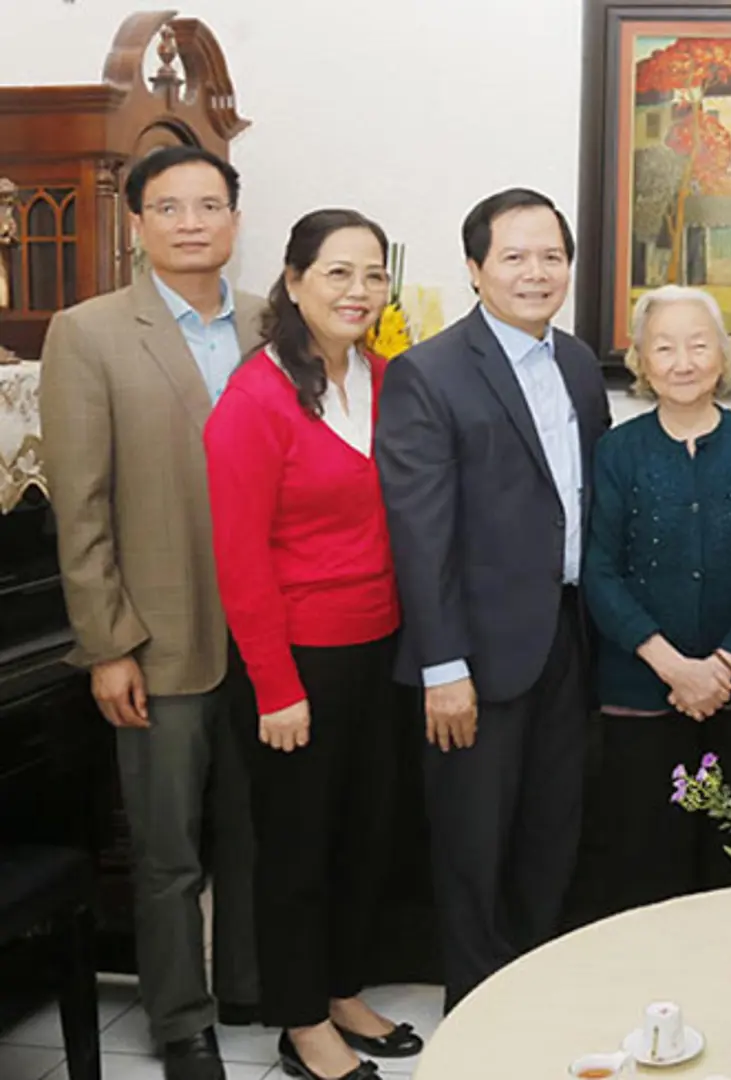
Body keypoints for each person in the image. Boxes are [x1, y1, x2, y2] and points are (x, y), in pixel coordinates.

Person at [39, 144, 260, 1080]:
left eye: (210, 204)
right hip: (157, 637)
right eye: (169, 207)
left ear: (235, 218)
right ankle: (182, 1023)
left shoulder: (269, 322)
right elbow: (80, 504)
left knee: (260, 835)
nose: (192, 222)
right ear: (137, 225)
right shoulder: (86, 332)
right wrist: (108, 644)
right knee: (167, 851)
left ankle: (260, 989)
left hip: (271, 641)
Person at [376, 188, 611, 1011]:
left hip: (569, 642)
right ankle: (478, 1019)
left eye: (551, 256)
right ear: (475, 270)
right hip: (472, 658)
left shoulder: (579, 364)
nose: (535, 272)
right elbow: (420, 535)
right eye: (513, 256)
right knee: (473, 851)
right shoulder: (426, 374)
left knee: (551, 837)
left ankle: (535, 1003)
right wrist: (443, 666)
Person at [205, 209, 424, 1080]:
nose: (358, 291)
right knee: (295, 851)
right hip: (295, 663)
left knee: (365, 837)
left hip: (381, 650)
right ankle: (301, 1022)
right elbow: (239, 557)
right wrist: (274, 686)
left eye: (373, 274)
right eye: (337, 272)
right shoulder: (254, 398)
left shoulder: (388, 378)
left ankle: (341, 990)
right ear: (293, 282)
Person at [585, 285, 731, 911]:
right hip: (641, 698)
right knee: (646, 866)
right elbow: (600, 570)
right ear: (642, 362)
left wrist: (723, 665)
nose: (683, 361)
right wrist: (674, 667)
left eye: (699, 345)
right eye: (665, 347)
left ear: (723, 356)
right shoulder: (617, 451)